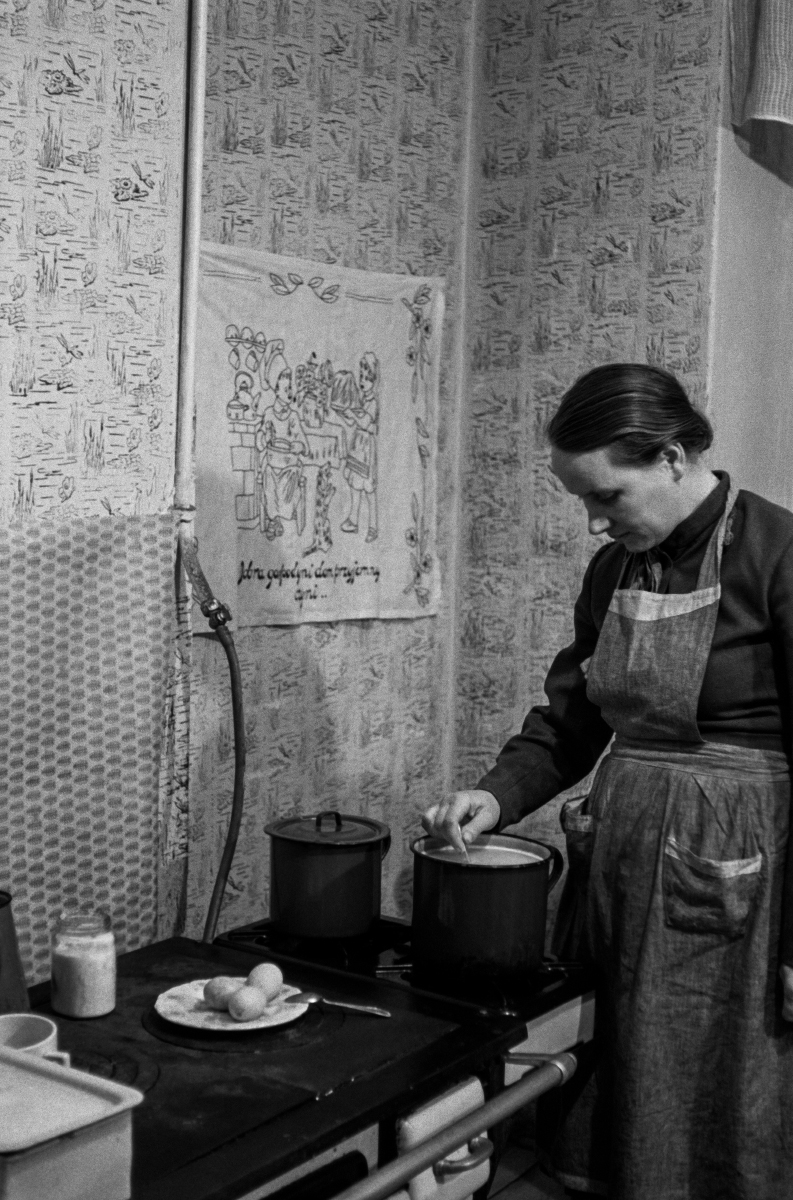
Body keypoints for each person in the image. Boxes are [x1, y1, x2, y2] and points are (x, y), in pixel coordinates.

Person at [423, 363, 793, 1200]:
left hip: (741, 871)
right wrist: (498, 793)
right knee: (622, 1053)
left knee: (717, 1064)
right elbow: (571, 719)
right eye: (580, 501)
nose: (593, 522)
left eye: (606, 496)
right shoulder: (615, 572)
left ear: (668, 457)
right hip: (622, 860)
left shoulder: (779, 555)